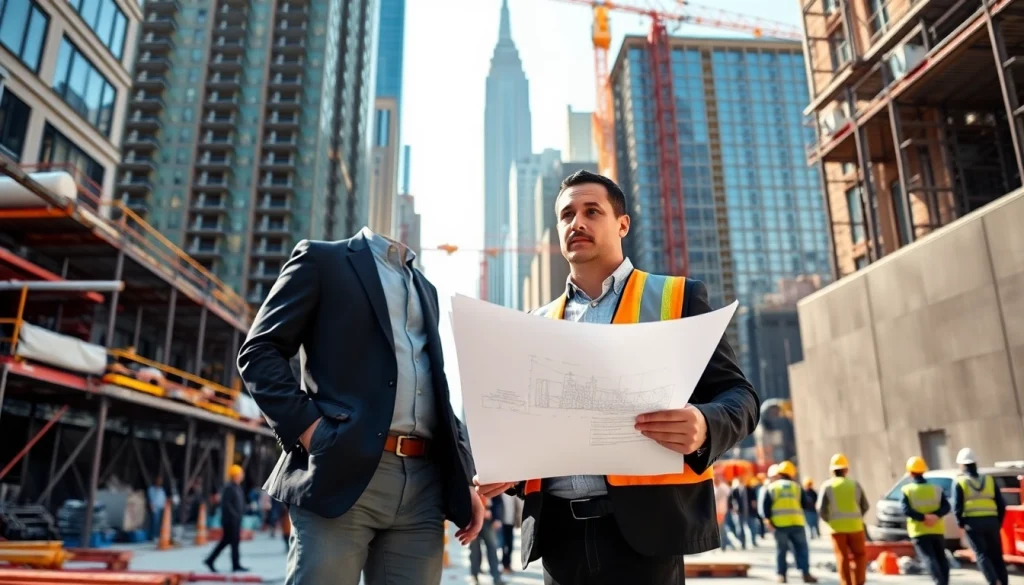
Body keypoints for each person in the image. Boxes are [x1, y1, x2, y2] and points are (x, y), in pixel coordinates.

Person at [475, 170, 760, 585]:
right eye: (567, 214)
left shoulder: (677, 298)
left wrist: (703, 424)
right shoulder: (535, 324)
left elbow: (741, 397)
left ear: (622, 224)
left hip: (647, 537)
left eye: (593, 211)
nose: (578, 222)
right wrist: (510, 469)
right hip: (558, 542)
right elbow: (533, 433)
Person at [237, 228, 485, 585]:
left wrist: (464, 478)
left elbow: (436, 389)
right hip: (342, 469)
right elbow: (259, 353)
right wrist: (314, 434)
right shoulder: (322, 260)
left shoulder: (426, 288)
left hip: (423, 488)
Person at [952, 448, 1007, 585]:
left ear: (962, 465)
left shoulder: (960, 482)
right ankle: (1004, 582)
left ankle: (993, 581)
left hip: (973, 524)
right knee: (996, 554)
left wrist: (960, 523)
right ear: (975, 463)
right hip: (992, 522)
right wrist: (998, 521)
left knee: (982, 554)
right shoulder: (989, 480)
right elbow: (1001, 503)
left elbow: (957, 507)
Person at [760, 461, 817, 584]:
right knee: (802, 550)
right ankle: (805, 574)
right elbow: (805, 504)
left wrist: (768, 521)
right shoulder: (797, 487)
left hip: (779, 525)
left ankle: (782, 576)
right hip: (797, 523)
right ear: (791, 474)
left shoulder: (772, 488)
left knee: (781, 551)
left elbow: (766, 507)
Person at [816, 453, 869, 585]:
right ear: (846, 469)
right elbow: (865, 505)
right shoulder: (855, 484)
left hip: (837, 529)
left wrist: (830, 521)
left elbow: (821, 508)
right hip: (856, 527)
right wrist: (857, 517)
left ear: (832, 470)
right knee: (860, 556)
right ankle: (859, 582)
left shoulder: (827, 486)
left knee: (842, 557)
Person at [901, 456, 951, 585]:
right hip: (937, 528)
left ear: (910, 473)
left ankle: (939, 582)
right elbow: (946, 506)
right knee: (941, 558)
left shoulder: (907, 490)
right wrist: (935, 516)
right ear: (923, 471)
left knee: (929, 558)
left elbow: (906, 510)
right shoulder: (936, 488)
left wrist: (923, 518)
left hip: (919, 530)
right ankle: (944, 582)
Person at [204, 465, 248, 573]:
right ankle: (234, 565)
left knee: (228, 542)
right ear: (235, 475)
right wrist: (235, 516)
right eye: (240, 474)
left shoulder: (237, 487)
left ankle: (211, 560)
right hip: (230, 521)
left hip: (236, 520)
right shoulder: (229, 488)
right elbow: (226, 505)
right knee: (232, 542)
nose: (242, 476)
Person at [470, 495, 504, 585]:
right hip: (472, 519)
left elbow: (498, 499)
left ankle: (496, 577)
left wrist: (497, 518)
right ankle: (474, 576)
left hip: (488, 520)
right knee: (474, 550)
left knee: (492, 548)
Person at [499, 492, 518, 574]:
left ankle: (507, 565)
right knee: (503, 545)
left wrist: (518, 521)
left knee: (509, 545)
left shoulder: (514, 491)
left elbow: (517, 506)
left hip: (510, 522)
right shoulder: (500, 492)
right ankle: (505, 565)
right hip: (501, 523)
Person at [715, 477, 735, 552]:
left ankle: (725, 545)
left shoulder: (722, 488)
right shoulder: (719, 488)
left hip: (721, 512)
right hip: (720, 512)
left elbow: (721, 502)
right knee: (722, 530)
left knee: (722, 530)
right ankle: (726, 544)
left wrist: (721, 513)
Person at [731, 478, 750, 549]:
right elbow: (732, 500)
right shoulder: (734, 490)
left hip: (744, 511)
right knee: (739, 527)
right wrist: (734, 507)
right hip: (737, 511)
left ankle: (743, 543)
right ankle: (741, 542)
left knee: (742, 527)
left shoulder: (744, 489)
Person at [146, 475, 167, 541]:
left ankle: (157, 535)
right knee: (154, 522)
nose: (159, 482)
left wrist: (165, 506)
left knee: (159, 523)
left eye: (160, 481)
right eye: (158, 481)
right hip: (155, 508)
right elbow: (151, 499)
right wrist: (152, 506)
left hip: (161, 508)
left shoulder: (161, 490)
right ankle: (153, 536)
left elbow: (163, 498)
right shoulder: (151, 489)